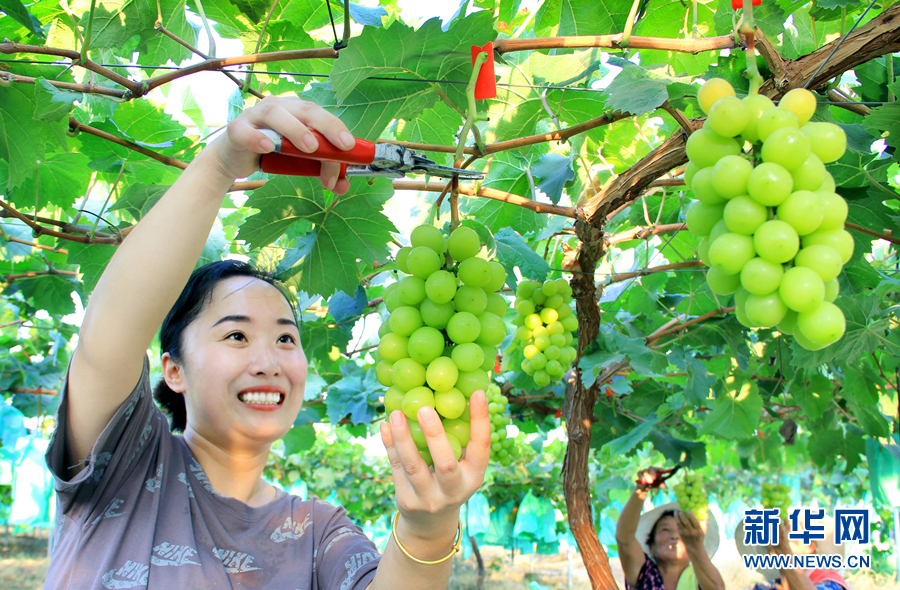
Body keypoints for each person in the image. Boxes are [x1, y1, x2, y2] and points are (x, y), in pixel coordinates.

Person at [43, 96, 490, 589]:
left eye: (285, 337)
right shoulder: (123, 467)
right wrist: (218, 166)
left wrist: (428, 531)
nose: (267, 361)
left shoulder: (321, 534)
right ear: (173, 370)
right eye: (236, 334)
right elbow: (107, 336)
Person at [616, 467, 725, 590]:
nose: (675, 536)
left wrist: (694, 546)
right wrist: (641, 489)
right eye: (665, 529)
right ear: (651, 545)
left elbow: (717, 588)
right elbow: (624, 538)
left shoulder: (699, 577)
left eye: (681, 530)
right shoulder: (646, 574)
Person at [736, 518, 850, 590]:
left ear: (809, 546)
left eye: (787, 533)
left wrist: (784, 552)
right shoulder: (768, 586)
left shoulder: (830, 582)